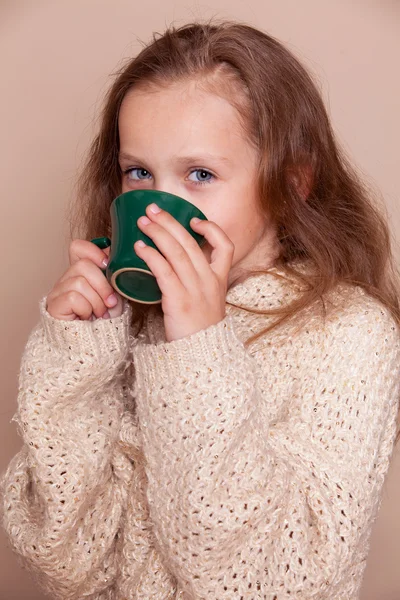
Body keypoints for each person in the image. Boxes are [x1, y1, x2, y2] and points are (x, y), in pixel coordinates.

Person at [1, 18, 400, 600]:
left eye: (201, 174)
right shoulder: (135, 323)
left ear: (291, 183)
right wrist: (74, 361)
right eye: (139, 173)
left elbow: (262, 584)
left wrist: (197, 351)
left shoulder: (351, 334)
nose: (157, 209)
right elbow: (62, 558)